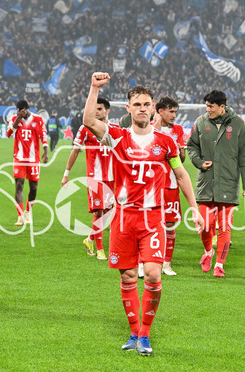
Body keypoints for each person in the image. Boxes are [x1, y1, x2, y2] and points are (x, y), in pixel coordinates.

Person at [82, 72, 204, 356]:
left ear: (153, 108)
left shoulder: (166, 142)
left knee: (152, 274)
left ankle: (145, 334)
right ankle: (134, 332)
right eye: (136, 104)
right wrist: (94, 88)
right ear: (128, 108)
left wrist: (194, 208)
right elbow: (89, 120)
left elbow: (181, 174)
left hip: (152, 219)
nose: (142, 108)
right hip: (123, 218)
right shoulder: (117, 136)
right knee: (127, 277)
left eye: (146, 104)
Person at [186, 90, 245, 278]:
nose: (208, 110)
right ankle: (208, 252)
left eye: (211, 106)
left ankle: (219, 265)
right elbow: (191, 146)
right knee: (206, 225)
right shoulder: (200, 122)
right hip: (206, 183)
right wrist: (199, 162)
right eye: (207, 106)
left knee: (225, 227)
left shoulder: (238, 124)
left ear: (222, 107)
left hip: (228, 184)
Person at [61, 97, 114, 261]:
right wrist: (66, 173)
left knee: (108, 213)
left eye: (99, 109)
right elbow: (75, 150)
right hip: (94, 178)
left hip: (112, 177)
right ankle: (100, 250)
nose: (96, 112)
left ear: (107, 111)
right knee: (99, 211)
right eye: (94, 109)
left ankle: (90, 239)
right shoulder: (85, 128)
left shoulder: (115, 129)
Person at [152, 97, 187, 276]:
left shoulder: (178, 130)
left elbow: (181, 161)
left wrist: (181, 152)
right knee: (151, 223)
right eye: (171, 111)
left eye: (175, 112)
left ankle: (167, 263)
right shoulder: (149, 128)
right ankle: (150, 261)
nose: (174, 115)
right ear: (160, 111)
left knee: (170, 224)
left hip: (171, 184)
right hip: (152, 185)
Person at [7, 100, 49, 225]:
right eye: (18, 111)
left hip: (33, 159)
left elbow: (43, 136)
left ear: (27, 109)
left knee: (34, 187)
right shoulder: (14, 119)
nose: (20, 113)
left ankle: (28, 211)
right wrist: (18, 119)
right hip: (19, 159)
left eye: (22, 111)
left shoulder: (38, 119)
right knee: (19, 185)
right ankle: (20, 215)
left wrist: (46, 152)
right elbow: (9, 134)